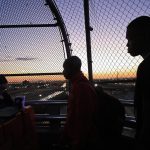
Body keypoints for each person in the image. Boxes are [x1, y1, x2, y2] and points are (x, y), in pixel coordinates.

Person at [60, 56, 99, 150]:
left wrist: (77, 143)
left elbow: (83, 119)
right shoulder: (77, 84)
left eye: (65, 68)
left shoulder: (81, 87)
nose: (63, 72)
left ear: (72, 69)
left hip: (81, 141)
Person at [126, 16, 150, 150]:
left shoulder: (146, 67)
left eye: (130, 39)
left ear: (144, 37)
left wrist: (142, 141)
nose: (127, 44)